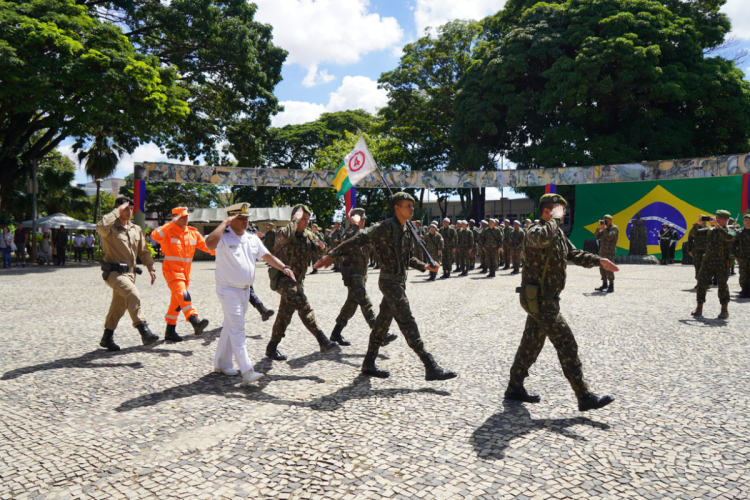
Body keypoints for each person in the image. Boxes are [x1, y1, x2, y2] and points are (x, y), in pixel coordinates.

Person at [316, 192, 456, 381]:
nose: (412, 208)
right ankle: (430, 366)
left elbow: (407, 258)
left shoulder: (407, 229)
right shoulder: (383, 227)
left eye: (412, 205)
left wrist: (425, 266)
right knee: (407, 321)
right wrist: (332, 254)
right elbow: (358, 240)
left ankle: (368, 363)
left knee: (381, 325)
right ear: (397, 208)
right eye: (408, 205)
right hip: (389, 282)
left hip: (399, 281)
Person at [505, 193, 618, 411]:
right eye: (560, 211)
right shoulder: (535, 231)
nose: (564, 215)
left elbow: (573, 253)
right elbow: (540, 239)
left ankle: (514, 387)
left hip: (547, 299)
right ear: (548, 211)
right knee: (566, 342)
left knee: (531, 343)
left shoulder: (556, 234)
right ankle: (584, 395)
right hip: (539, 298)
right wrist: (554, 219)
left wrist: (599, 261)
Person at [204, 203, 294, 384]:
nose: (246, 221)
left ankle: (221, 363)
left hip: (245, 291)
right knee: (238, 330)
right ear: (230, 219)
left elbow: (267, 256)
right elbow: (209, 244)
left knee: (230, 327)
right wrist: (224, 223)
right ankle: (247, 371)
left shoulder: (252, 238)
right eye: (241, 218)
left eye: (247, 218)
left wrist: (283, 267)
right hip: (228, 289)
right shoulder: (223, 237)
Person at [265, 204, 339, 361]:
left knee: (284, 315)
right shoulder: (283, 232)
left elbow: (321, 249)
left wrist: (321, 245)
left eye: (307, 219)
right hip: (282, 279)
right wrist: (295, 220)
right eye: (302, 219)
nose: (306, 222)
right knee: (303, 304)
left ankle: (272, 347)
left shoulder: (307, 236)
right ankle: (322, 340)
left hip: (297, 281)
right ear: (294, 218)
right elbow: (283, 238)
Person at [96, 197, 159, 351]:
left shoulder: (135, 228)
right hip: (113, 273)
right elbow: (100, 226)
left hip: (130, 274)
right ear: (118, 210)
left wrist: (151, 268)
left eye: (131, 208)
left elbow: (143, 251)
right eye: (126, 208)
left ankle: (106, 337)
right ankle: (143, 330)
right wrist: (117, 211)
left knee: (119, 305)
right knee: (132, 293)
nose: (130, 211)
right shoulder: (109, 228)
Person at [329, 208, 398, 347]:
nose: (364, 221)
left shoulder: (364, 234)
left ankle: (336, 333)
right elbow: (345, 243)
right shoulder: (349, 233)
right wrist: (354, 225)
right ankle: (381, 334)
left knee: (351, 305)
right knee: (366, 303)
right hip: (353, 275)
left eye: (364, 219)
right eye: (362, 219)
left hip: (361, 275)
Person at [150, 207, 213, 342]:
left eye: (186, 216)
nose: (185, 219)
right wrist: (171, 223)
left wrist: (224, 251)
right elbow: (154, 235)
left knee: (177, 301)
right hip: (172, 271)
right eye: (182, 217)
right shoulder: (168, 231)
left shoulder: (193, 233)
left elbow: (207, 247)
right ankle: (194, 320)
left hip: (186, 273)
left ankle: (170, 331)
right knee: (183, 295)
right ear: (175, 218)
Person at [692, 211, 735, 319]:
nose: (717, 220)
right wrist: (697, 224)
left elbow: (728, 237)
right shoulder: (710, 231)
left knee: (722, 286)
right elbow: (694, 234)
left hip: (722, 262)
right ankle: (699, 308)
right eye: (716, 217)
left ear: (726, 220)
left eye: (720, 218)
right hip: (708, 261)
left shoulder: (732, 231)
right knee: (701, 283)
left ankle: (724, 310)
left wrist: (718, 226)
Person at [594, 215, 619, 292]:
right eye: (604, 220)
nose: (605, 222)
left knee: (609, 268)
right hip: (603, 252)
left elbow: (609, 237)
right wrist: (598, 228)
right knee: (602, 267)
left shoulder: (614, 228)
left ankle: (611, 285)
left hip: (610, 252)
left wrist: (604, 229)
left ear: (611, 220)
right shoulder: (604, 228)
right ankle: (604, 284)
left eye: (607, 221)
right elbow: (596, 236)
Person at [687, 217, 709, 290]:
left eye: (704, 219)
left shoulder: (710, 228)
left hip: (707, 251)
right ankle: (699, 282)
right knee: (698, 267)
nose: (702, 221)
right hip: (697, 251)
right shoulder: (695, 228)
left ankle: (706, 282)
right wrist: (689, 250)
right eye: (701, 219)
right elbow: (690, 238)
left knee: (707, 267)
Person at [734, 214, 750, 298]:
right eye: (746, 220)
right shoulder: (739, 232)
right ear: (743, 221)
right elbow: (733, 244)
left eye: (749, 220)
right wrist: (735, 256)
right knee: (743, 274)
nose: (747, 221)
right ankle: (744, 290)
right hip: (742, 257)